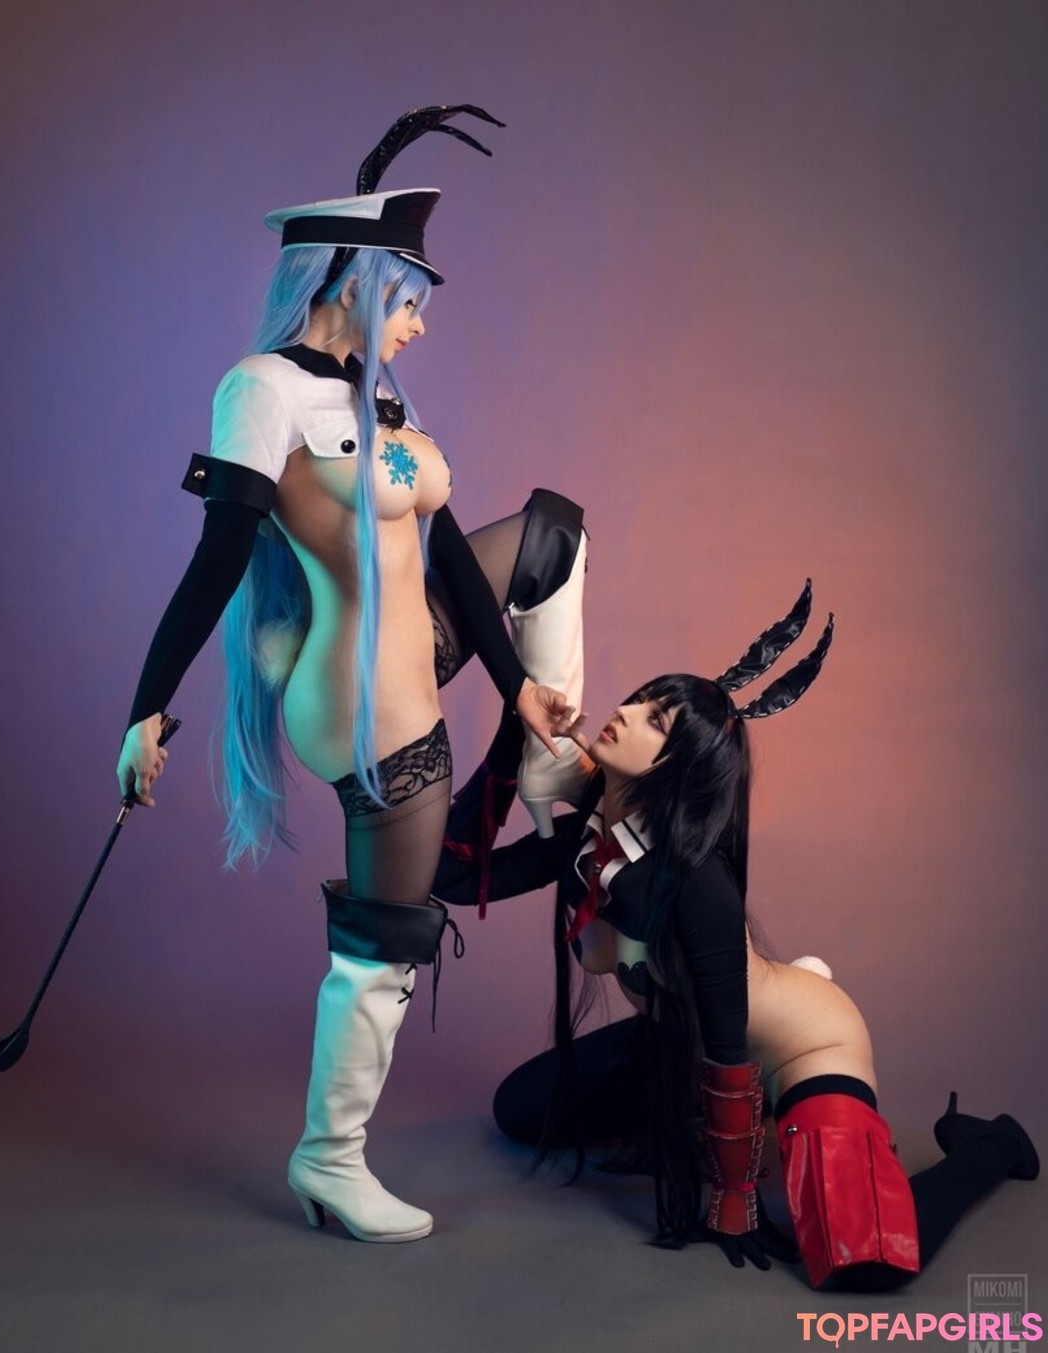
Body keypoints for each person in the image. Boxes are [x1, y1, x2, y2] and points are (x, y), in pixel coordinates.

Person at [114, 107, 589, 1244]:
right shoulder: (260, 390)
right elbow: (215, 564)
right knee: (388, 932)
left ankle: (545, 775)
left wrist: (521, 692)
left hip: (415, 651)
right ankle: (329, 1159)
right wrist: (144, 710)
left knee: (553, 533)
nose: (419, 324)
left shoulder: (379, 396)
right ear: (355, 279)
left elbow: (448, 551)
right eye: (409, 298)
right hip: (361, 698)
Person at [433, 582, 1039, 1288]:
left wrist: (735, 1193)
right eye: (639, 699)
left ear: (681, 764)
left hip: (795, 1046)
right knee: (520, 1112)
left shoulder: (696, 879)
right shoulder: (586, 839)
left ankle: (989, 1145)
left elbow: (728, 1040)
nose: (625, 712)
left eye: (656, 719)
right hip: (679, 1038)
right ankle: (719, 1123)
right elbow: (453, 875)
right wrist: (511, 739)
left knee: (866, 1262)